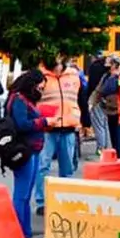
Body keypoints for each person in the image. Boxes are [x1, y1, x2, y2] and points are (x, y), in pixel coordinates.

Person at [7, 70, 48, 238]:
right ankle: (20, 235)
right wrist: (44, 122)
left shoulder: (26, 99)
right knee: (22, 195)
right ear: (32, 83)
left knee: (26, 195)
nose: (41, 90)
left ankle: (27, 234)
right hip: (24, 151)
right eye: (40, 86)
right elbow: (22, 124)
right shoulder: (18, 99)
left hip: (33, 150)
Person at [35, 58, 82, 215]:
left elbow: (81, 97)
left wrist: (83, 122)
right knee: (43, 166)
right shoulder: (40, 76)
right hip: (47, 128)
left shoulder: (74, 75)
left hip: (68, 126)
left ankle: (66, 200)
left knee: (67, 168)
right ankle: (42, 202)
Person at [88, 55, 120, 154]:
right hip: (109, 109)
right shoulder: (106, 75)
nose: (105, 65)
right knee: (110, 132)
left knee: (117, 136)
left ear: (114, 64)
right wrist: (91, 103)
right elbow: (99, 90)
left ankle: (108, 151)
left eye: (108, 63)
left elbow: (108, 89)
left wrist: (114, 76)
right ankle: (107, 151)